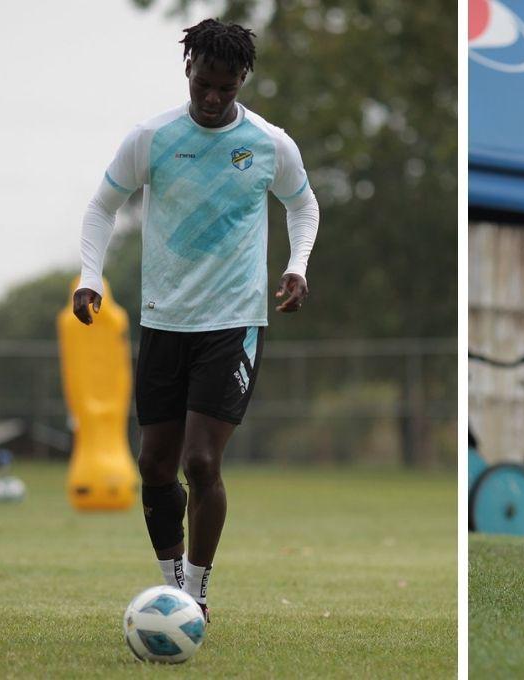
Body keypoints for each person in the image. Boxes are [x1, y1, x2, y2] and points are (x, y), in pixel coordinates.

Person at [72, 19, 320, 622]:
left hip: (233, 322)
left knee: (202, 461)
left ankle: (195, 597)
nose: (212, 99)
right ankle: (172, 584)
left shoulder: (270, 144)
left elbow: (303, 205)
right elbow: (102, 206)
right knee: (154, 464)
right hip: (164, 320)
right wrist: (89, 277)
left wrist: (297, 266)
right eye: (203, 84)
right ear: (188, 70)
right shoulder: (151, 138)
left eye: (225, 89)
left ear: (242, 80)